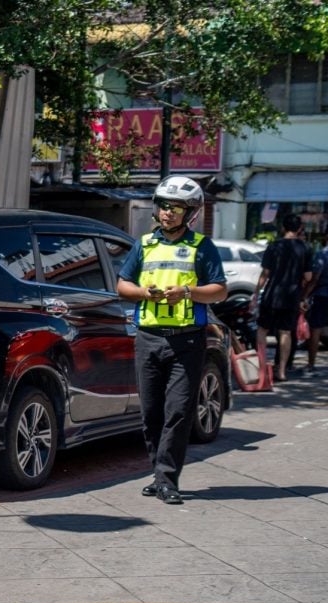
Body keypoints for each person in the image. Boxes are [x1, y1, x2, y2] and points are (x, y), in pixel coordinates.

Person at [116, 175, 226, 505]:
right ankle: (157, 472)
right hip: (148, 338)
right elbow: (122, 285)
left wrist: (188, 292)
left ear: (190, 212)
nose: (167, 213)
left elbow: (219, 290)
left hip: (187, 341)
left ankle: (167, 478)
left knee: (178, 411)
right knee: (151, 413)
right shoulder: (145, 244)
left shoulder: (201, 247)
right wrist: (142, 293)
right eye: (164, 205)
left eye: (176, 208)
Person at [253, 214, 313, 382]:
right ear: (299, 228)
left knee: (262, 329)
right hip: (292, 296)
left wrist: (256, 293)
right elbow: (308, 276)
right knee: (286, 332)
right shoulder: (305, 248)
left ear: (283, 228)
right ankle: (281, 371)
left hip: (272, 294)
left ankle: (262, 366)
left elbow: (265, 274)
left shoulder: (274, 246)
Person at [303, 233, 328, 374]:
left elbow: (315, 278)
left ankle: (311, 363)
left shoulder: (322, 254)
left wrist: (305, 295)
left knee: (316, 329)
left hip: (322, 296)